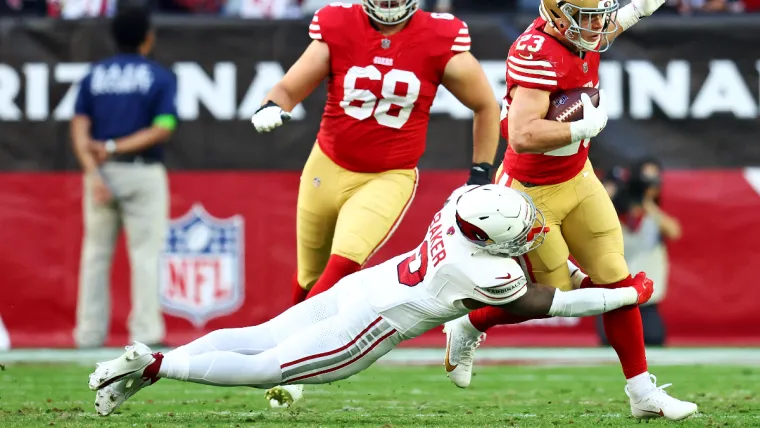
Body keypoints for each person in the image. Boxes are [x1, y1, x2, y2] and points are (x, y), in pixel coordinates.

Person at [88, 184, 655, 416]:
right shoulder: (486, 267)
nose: (530, 233)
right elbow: (547, 304)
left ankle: (156, 362)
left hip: (359, 288)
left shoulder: (461, 205)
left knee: (259, 334)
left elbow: (535, 269)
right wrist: (623, 293)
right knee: (266, 368)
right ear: (490, 236)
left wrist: (585, 277)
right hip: (371, 323)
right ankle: (157, 366)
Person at [439, 0, 698, 421]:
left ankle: (641, 391)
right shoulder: (536, 51)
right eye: (587, 18)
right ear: (558, 16)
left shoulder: (581, 29)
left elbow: (608, 24)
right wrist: (580, 127)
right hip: (531, 193)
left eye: (598, 16)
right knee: (552, 295)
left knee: (615, 277)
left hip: (578, 178)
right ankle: (469, 324)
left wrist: (640, 8)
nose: (597, 26)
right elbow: (522, 135)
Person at [250, 0, 500, 307]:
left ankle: (281, 344)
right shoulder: (339, 24)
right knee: (309, 277)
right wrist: (272, 105)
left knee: (342, 266)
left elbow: (485, 105)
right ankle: (294, 349)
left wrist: (480, 173)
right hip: (326, 165)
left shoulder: (438, 36)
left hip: (387, 176)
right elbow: (289, 88)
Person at [70, 7, 178, 348]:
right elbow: (164, 127)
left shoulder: (94, 75)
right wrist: (115, 146)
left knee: (95, 256)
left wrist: (92, 171)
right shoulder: (158, 76)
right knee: (145, 255)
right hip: (142, 171)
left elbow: (78, 126)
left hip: (101, 174)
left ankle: (88, 334)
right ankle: (145, 335)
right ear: (147, 38)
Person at [597, 158, 681, 346]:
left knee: (652, 339)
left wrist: (647, 202)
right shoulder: (612, 216)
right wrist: (608, 200)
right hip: (614, 296)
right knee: (611, 343)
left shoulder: (652, 216)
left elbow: (674, 231)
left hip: (646, 298)